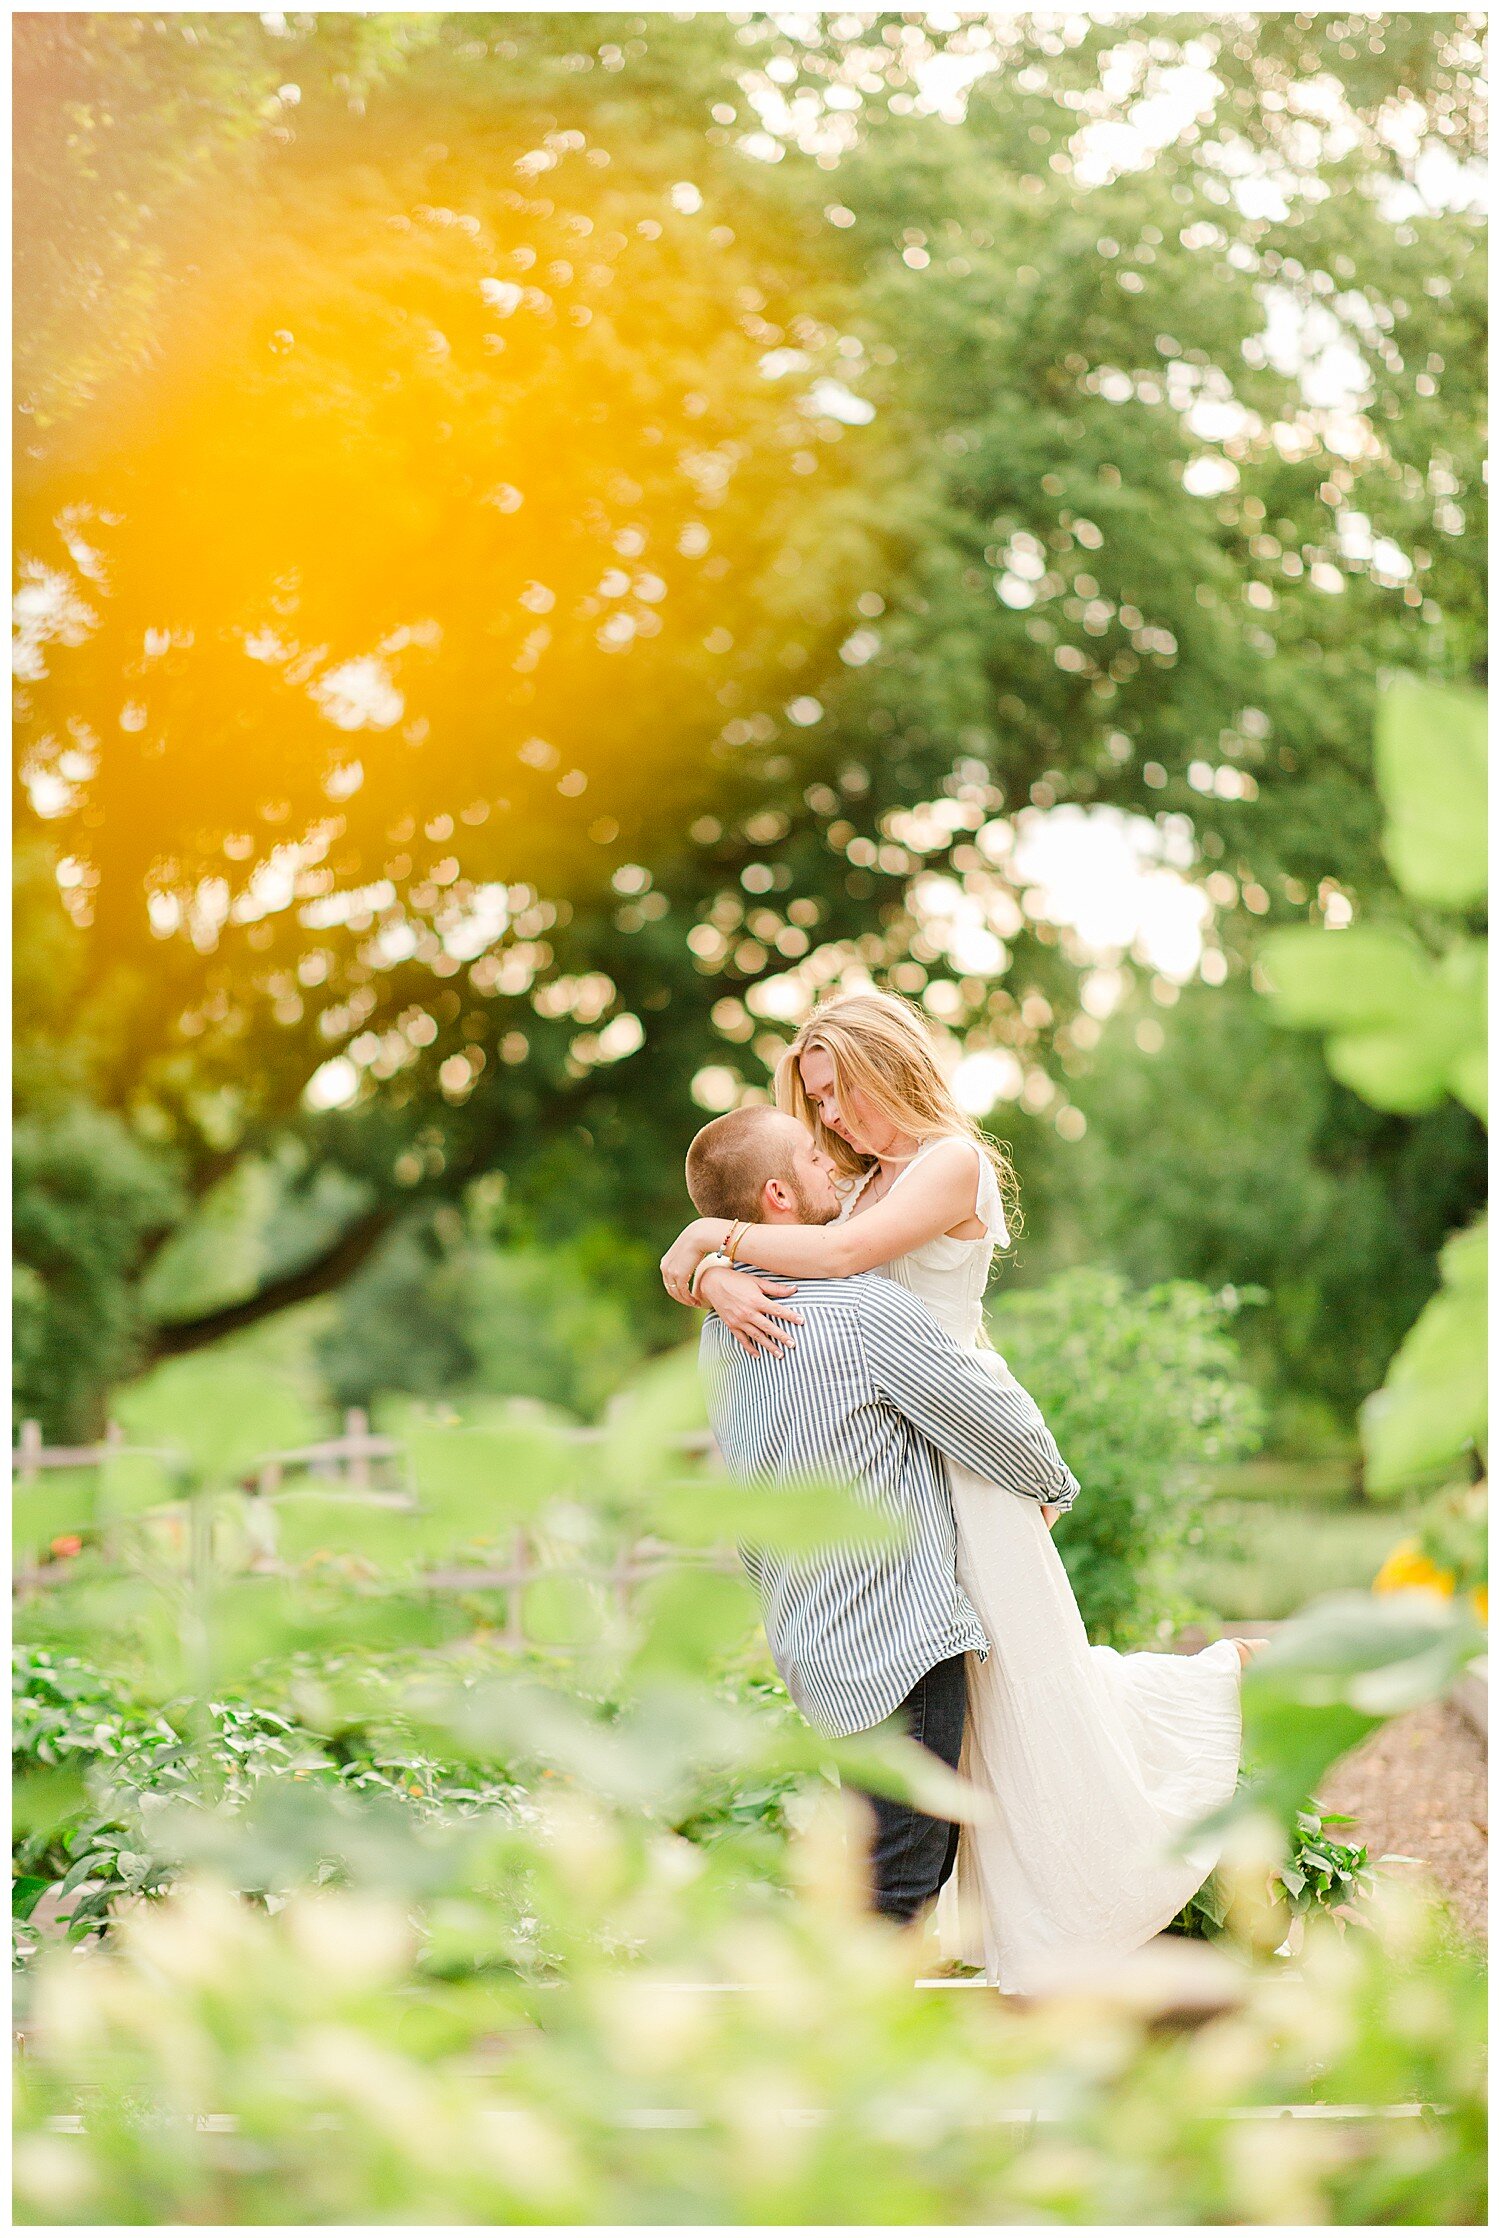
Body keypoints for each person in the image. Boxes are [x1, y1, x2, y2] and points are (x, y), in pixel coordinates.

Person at [664, 989, 1252, 1993]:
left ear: (889, 1064)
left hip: (957, 1446)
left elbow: (844, 1264)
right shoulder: (846, 1178)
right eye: (816, 1104)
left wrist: (711, 1244)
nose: (833, 1121)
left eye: (840, 1093)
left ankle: (1158, 1779)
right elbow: (797, 1234)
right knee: (966, 1705)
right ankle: (946, 1929)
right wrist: (700, 1260)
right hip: (893, 1451)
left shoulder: (948, 1162)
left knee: (1026, 1683)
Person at [684, 1099, 1079, 1928]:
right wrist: (1053, 1484)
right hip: (903, 1646)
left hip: (815, 1648)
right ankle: (847, 2052)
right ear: (778, 1198)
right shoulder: (861, 1312)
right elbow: (987, 1417)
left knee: (871, 1879)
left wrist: (707, 1267)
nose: (833, 1163)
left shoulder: (720, 1331)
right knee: (901, 1891)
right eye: (812, 1158)